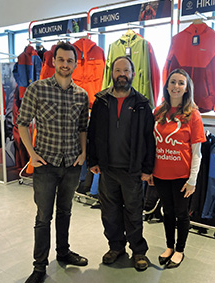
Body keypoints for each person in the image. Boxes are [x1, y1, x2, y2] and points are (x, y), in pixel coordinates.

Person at [17, 42, 89, 283]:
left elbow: (82, 128)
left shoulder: (82, 94)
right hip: (45, 165)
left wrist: (83, 152)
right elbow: (23, 123)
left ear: (75, 64)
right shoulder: (36, 89)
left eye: (70, 61)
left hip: (71, 163)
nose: (65, 65)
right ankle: (39, 267)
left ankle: (63, 252)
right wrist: (31, 153)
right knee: (43, 217)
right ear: (53, 61)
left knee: (65, 212)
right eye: (61, 60)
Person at [88, 56, 155, 271]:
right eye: (118, 70)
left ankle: (138, 251)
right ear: (112, 73)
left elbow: (149, 139)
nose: (122, 74)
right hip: (107, 169)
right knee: (110, 213)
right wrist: (93, 160)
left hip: (132, 170)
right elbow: (93, 133)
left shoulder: (142, 104)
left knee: (134, 212)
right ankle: (116, 247)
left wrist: (147, 169)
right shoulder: (101, 101)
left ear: (133, 74)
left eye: (126, 70)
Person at [150, 68, 206, 268]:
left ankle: (180, 250)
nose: (176, 86)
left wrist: (192, 180)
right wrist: (150, 171)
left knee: (181, 214)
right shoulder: (158, 112)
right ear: (166, 85)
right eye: (173, 82)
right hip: (161, 174)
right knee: (167, 212)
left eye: (181, 83)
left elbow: (197, 152)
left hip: (182, 176)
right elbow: (151, 144)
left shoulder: (193, 115)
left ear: (186, 88)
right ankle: (169, 246)